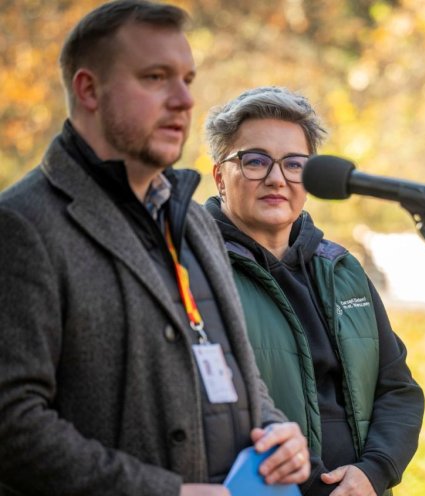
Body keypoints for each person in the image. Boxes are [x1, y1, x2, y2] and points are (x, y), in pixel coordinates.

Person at [0, 2, 309, 495]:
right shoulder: (23, 226)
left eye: (187, 78)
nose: (184, 100)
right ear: (88, 89)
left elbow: (232, 367)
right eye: (155, 77)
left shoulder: (192, 222)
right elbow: (12, 424)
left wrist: (277, 430)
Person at [204, 86, 425, 496]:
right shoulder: (195, 272)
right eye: (254, 161)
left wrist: (374, 472)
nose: (276, 178)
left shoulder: (342, 269)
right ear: (220, 175)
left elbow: (398, 389)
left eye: (294, 164)